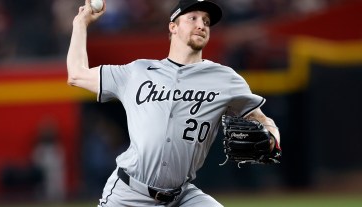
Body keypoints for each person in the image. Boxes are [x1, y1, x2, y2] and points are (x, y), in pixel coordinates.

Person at [67, 0, 281, 206]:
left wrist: (271, 137)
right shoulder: (137, 72)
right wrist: (80, 23)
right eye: (193, 18)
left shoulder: (226, 78)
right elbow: (76, 75)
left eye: (206, 21)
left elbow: (260, 118)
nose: (201, 25)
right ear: (173, 26)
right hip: (128, 195)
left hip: (181, 196)